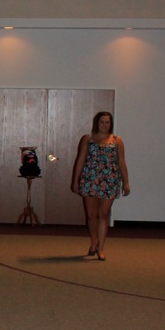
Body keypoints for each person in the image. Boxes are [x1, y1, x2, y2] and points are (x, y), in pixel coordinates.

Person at [71, 110, 130, 260]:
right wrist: (75, 180)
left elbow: (121, 161)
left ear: (111, 124)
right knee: (91, 215)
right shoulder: (88, 139)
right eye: (102, 122)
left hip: (110, 180)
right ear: (97, 123)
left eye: (107, 122)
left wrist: (126, 182)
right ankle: (93, 242)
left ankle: (101, 248)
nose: (104, 125)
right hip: (90, 179)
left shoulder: (117, 140)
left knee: (104, 214)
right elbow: (80, 159)